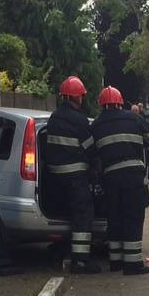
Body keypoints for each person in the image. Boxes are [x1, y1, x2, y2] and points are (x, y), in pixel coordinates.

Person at [92, 86, 149, 275]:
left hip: (110, 179)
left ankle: (116, 262)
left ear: (101, 105)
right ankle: (133, 264)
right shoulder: (134, 118)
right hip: (133, 178)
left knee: (115, 218)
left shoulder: (96, 125)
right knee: (133, 217)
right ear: (120, 103)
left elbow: (89, 151)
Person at [45, 76, 101, 273]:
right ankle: (80, 261)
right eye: (82, 96)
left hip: (54, 177)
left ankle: (59, 253)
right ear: (78, 97)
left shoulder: (54, 118)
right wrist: (96, 168)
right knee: (83, 215)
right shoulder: (79, 120)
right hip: (75, 176)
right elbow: (90, 149)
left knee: (64, 215)